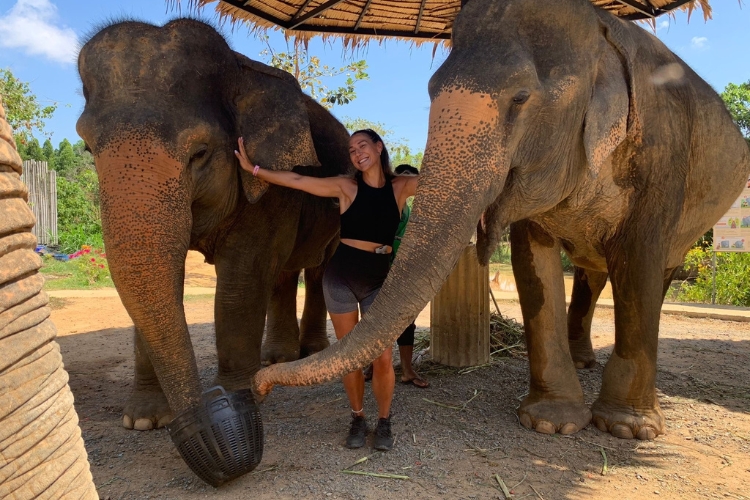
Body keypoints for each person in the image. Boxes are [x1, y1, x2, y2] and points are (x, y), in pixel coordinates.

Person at [235, 130, 418, 451]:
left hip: (378, 281)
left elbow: (444, 181)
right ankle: (358, 418)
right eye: (351, 149)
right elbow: (296, 180)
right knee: (348, 358)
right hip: (341, 278)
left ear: (379, 147)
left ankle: (384, 421)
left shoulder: (401, 187)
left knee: (383, 358)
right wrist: (254, 169)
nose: (357, 152)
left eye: (363, 145)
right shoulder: (346, 187)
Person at [392, 164, 429, 389]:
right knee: (375, 319)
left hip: (405, 272)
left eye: (411, 179)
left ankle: (406, 369)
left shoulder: (414, 214)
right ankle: (374, 366)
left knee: (407, 321)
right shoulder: (386, 206)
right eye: (402, 178)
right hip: (382, 269)